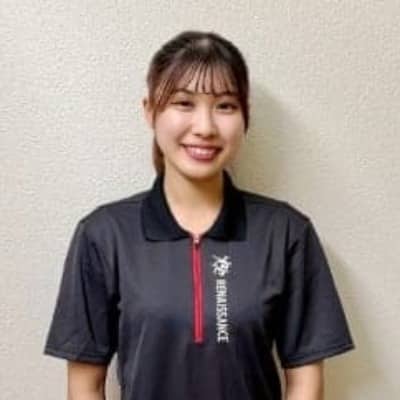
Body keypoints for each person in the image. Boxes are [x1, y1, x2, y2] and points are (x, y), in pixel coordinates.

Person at [43, 30, 355, 400]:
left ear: (245, 116)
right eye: (184, 103)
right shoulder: (104, 234)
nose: (205, 127)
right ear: (150, 111)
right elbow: (85, 386)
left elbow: (305, 383)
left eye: (225, 106)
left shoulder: (286, 233)